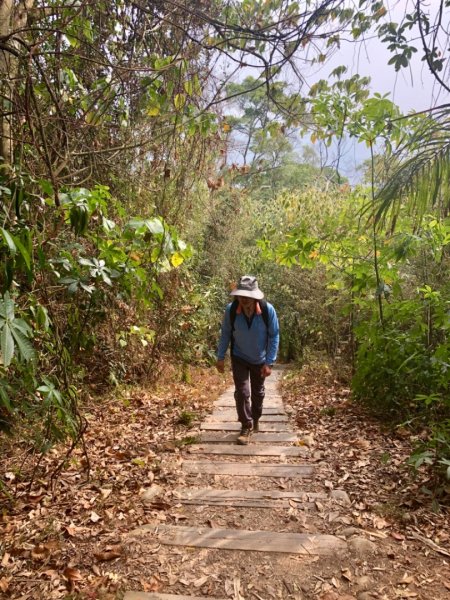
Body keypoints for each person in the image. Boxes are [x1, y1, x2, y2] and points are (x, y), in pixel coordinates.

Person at [216, 275, 280, 445]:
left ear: (255, 297)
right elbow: (226, 334)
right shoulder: (231, 311)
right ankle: (246, 426)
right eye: (241, 296)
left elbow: (274, 336)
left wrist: (269, 362)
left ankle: (255, 417)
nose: (244, 300)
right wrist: (220, 357)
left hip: (260, 359)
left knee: (258, 394)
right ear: (237, 296)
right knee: (242, 392)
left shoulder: (268, 310)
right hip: (239, 357)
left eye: (248, 296)